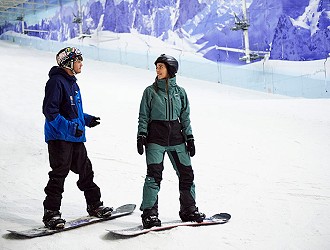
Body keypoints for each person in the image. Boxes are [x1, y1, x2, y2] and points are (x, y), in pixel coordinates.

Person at [42, 47, 112, 229]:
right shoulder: (56, 82)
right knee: (59, 174)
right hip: (59, 138)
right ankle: (51, 212)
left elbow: (72, 110)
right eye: (79, 60)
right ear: (68, 63)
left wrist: (86, 120)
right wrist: (72, 128)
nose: (82, 64)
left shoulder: (72, 83)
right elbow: (50, 112)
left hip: (75, 138)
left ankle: (95, 205)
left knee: (86, 171)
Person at [137, 54, 205, 229]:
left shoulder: (180, 93)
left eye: (161, 66)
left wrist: (189, 137)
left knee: (187, 174)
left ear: (171, 70)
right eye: (157, 67)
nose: (158, 70)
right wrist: (141, 135)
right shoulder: (150, 92)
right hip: (155, 141)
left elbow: (185, 117)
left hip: (177, 140)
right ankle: (150, 213)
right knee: (154, 176)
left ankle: (189, 209)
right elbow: (143, 116)